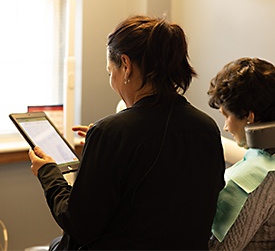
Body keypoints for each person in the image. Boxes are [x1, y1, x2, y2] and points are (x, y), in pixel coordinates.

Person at [29, 15, 225, 250]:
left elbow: (79, 224)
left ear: (126, 65)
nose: (113, 80)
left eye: (110, 71)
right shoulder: (206, 128)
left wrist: (48, 173)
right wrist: (107, 140)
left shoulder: (112, 133)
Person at [207, 57, 275, 250]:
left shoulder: (250, 181)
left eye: (226, 116)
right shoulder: (263, 160)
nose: (226, 127)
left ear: (248, 116)